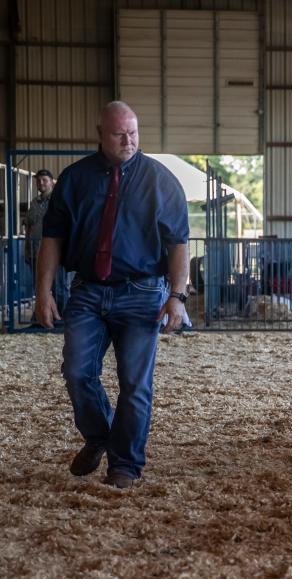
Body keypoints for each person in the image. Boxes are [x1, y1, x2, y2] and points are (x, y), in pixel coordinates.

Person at [34, 100, 190, 489]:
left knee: (135, 383)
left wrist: (178, 296)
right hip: (87, 290)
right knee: (76, 372)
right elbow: (52, 238)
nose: (128, 140)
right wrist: (43, 292)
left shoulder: (160, 179)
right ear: (100, 134)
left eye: (134, 132)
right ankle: (100, 436)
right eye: (120, 133)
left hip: (142, 292)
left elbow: (178, 243)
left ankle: (126, 465)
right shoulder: (74, 179)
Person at [22, 169, 70, 316]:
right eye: (38, 180)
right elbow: (29, 225)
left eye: (44, 180)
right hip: (35, 250)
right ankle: (40, 318)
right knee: (39, 287)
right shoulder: (35, 202)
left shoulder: (59, 200)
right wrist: (27, 247)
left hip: (54, 252)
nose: (41, 183)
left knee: (58, 286)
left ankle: (61, 318)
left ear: (52, 182)